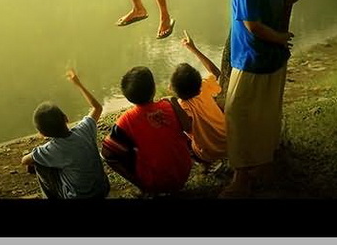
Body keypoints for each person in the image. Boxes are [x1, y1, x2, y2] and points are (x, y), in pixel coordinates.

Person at [221, 0, 305, 198]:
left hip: (251, 61)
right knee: (266, 115)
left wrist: (279, 37)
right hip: (273, 62)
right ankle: (264, 165)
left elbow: (252, 25)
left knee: (238, 116)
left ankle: (241, 179)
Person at [101, 66, 192, 195]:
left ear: (127, 96)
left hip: (154, 182)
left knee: (118, 147)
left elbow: (107, 154)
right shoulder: (169, 106)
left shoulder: (125, 120)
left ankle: (144, 187)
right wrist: (174, 102)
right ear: (154, 89)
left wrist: (136, 181)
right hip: (183, 170)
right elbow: (188, 127)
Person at [21, 69, 110, 199]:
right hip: (102, 190)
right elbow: (97, 108)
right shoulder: (84, 129)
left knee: (38, 165)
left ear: (41, 134)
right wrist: (78, 83)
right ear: (66, 118)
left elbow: (25, 161)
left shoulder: (53, 149)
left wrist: (36, 153)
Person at [170, 30, 227, 168]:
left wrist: (171, 100)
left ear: (173, 88)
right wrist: (193, 49)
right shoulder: (204, 87)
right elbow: (216, 73)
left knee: (179, 136)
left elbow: (186, 127)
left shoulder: (182, 106)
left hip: (208, 153)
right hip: (229, 141)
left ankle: (203, 164)